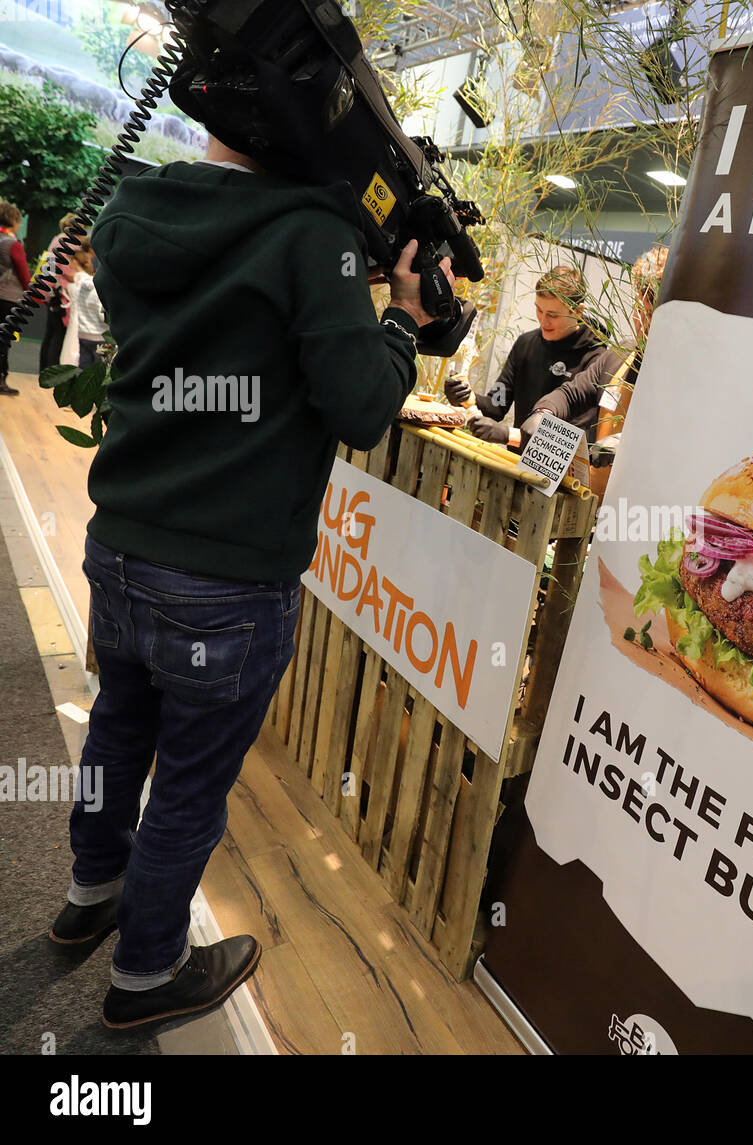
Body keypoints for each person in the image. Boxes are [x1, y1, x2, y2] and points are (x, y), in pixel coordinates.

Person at [50, 133, 451, 1030]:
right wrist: (400, 322)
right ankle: (147, 974)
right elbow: (358, 406)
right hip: (227, 578)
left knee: (118, 729)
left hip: (121, 543)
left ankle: (89, 893)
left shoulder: (133, 207)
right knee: (190, 782)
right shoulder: (312, 233)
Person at [529, 245, 668, 496]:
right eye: (637, 309)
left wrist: (628, 446)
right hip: (591, 505)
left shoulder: (680, 376)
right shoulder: (620, 355)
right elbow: (571, 394)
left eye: (646, 312)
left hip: (639, 510)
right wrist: (543, 412)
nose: (637, 319)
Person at [444, 265, 603, 449]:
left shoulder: (596, 359)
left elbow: (574, 440)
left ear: (577, 311)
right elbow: (497, 404)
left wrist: (507, 435)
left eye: (552, 315)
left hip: (560, 474)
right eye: (539, 310)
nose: (543, 321)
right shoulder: (526, 343)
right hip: (514, 464)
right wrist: (467, 397)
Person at [34, 214, 81, 372]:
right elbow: (66, 268)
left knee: (50, 332)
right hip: (64, 293)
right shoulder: (72, 243)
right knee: (59, 334)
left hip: (52, 291)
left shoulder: (56, 239)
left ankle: (44, 369)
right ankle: (52, 370)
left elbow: (51, 264)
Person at [0, 199, 32, 396]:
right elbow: (24, 275)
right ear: (13, 220)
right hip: (9, 298)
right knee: (4, 341)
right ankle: (2, 380)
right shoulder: (13, 244)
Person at [69, 245, 108, 368]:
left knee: (83, 369)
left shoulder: (78, 285)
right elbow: (101, 314)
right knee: (100, 371)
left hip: (82, 333)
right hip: (99, 336)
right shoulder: (97, 289)